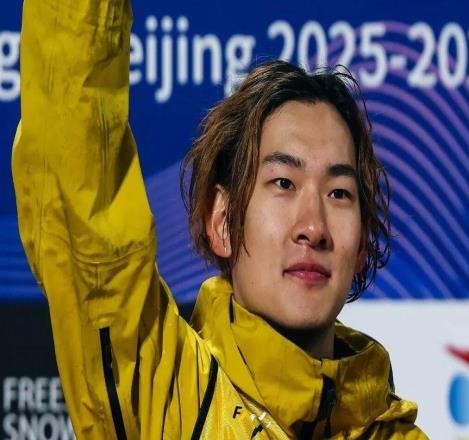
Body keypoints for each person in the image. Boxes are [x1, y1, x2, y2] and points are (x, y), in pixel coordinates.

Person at [12, 0, 428, 438]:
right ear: (222, 221)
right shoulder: (165, 394)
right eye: (283, 183)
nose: (313, 227)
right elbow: (78, 183)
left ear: (362, 244)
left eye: (339, 192)